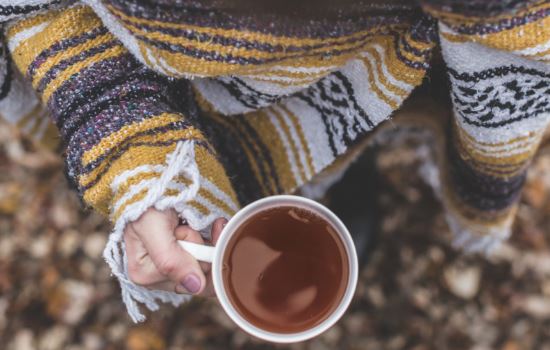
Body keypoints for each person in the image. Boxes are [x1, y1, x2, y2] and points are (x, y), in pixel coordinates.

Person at [0, 0, 548, 322]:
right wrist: (138, 158)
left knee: (368, 127)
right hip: (202, 78)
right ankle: (331, 177)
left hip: (426, 43)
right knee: (280, 147)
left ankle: (350, 173)